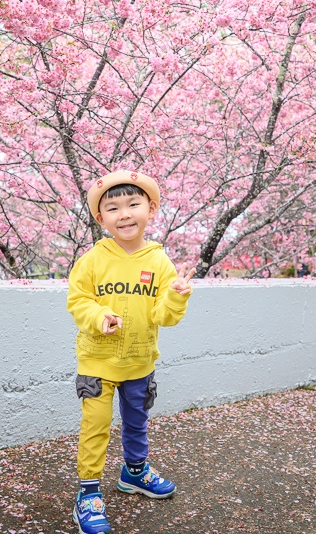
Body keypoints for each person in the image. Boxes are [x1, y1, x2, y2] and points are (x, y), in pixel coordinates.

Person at [67, 170, 194, 534]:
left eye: (133, 204)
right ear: (100, 218)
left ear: (150, 209)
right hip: (97, 363)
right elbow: (78, 300)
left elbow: (163, 317)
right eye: (113, 208)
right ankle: (88, 492)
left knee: (137, 422)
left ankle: (134, 473)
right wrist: (97, 316)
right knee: (96, 427)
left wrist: (176, 296)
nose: (124, 214)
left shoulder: (159, 262)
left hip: (140, 361)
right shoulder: (92, 259)